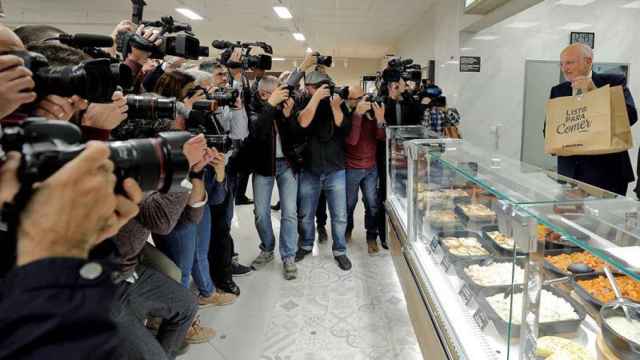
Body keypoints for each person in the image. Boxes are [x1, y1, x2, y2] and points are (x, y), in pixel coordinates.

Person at [548, 43, 638, 196]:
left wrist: (594, 90)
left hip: (608, 175)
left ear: (588, 61)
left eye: (570, 62)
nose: (564, 68)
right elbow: (549, 130)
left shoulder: (614, 81)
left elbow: (630, 116)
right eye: (561, 64)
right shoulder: (558, 90)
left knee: (607, 219)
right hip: (569, 175)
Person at [295, 62, 353, 271]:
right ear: (309, 88)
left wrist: (335, 106)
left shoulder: (337, 102)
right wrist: (315, 99)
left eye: (322, 86)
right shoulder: (303, 100)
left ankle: (340, 251)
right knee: (305, 214)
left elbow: (345, 128)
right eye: (315, 87)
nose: (319, 90)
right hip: (310, 169)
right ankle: (306, 244)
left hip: (335, 169)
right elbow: (302, 123)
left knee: (339, 215)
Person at [248, 75, 302, 279]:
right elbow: (258, 133)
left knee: (289, 213)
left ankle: (288, 255)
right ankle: (268, 248)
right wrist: (271, 105)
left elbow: (296, 136)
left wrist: (288, 117)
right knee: (261, 213)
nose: (281, 96)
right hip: (263, 167)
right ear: (264, 94)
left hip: (287, 165)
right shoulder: (252, 107)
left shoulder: (282, 105)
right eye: (275, 93)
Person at [344, 85, 386, 254]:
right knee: (348, 204)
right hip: (351, 168)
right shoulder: (347, 115)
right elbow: (352, 141)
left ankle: (371, 237)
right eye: (357, 98)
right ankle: (347, 229)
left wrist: (380, 119)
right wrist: (357, 116)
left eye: (364, 97)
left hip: (371, 167)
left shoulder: (371, 114)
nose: (363, 101)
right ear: (349, 101)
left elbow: (381, 137)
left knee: (372, 204)